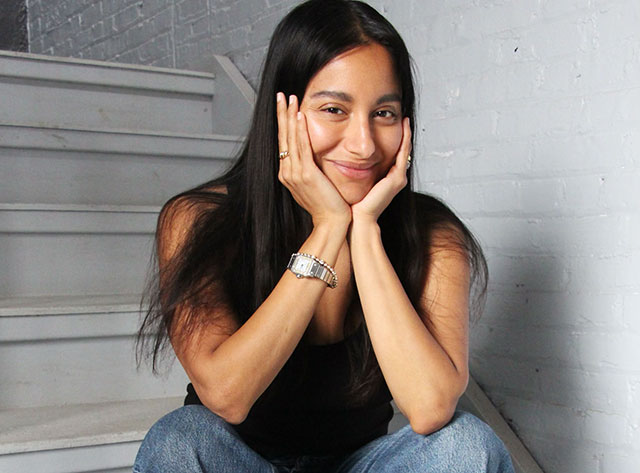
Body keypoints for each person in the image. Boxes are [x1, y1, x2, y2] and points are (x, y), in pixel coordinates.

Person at [134, 0, 515, 471]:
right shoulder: (199, 219)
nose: (363, 143)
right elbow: (226, 396)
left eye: (385, 113)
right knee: (178, 438)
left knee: (467, 444)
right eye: (334, 108)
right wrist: (328, 228)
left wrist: (365, 233)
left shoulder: (433, 235)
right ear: (283, 113)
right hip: (239, 462)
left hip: (364, 464)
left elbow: (430, 407)